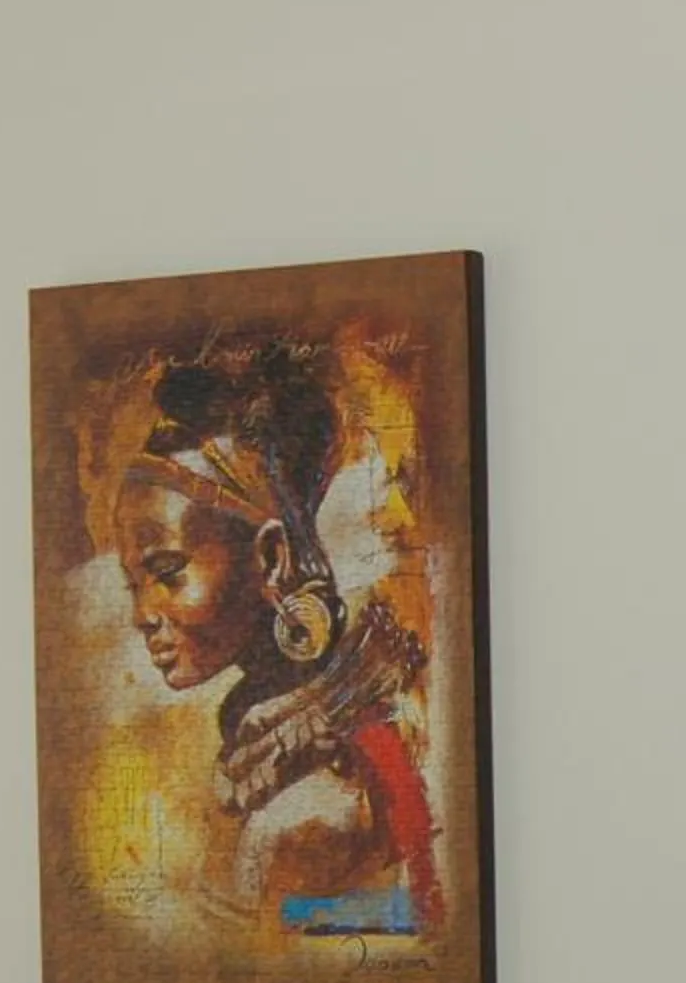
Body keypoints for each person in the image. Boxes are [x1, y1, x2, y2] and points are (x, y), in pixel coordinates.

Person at [111, 339, 441, 934]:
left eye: (166, 572)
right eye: (134, 583)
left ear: (268, 559)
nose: (142, 612)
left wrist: (285, 917)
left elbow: (395, 926)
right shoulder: (274, 741)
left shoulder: (311, 806)